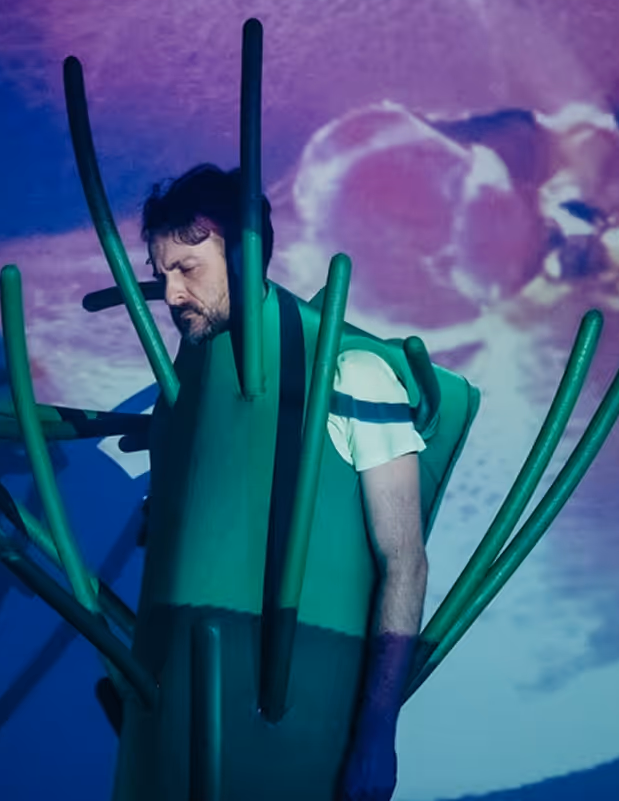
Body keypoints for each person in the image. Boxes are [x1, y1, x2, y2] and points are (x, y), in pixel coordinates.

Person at [121, 163, 428, 801]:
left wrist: (377, 735)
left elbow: (405, 561)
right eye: (161, 274)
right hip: (173, 724)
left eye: (188, 269)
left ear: (246, 252)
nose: (171, 294)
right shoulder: (182, 398)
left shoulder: (353, 372)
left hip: (302, 710)